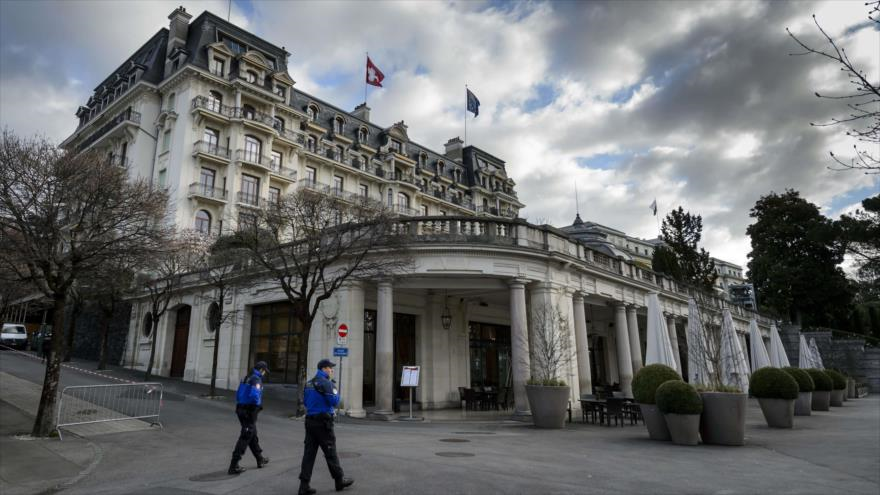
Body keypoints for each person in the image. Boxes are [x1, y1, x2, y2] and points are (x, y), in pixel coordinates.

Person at [298, 359, 354, 495]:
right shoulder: (326, 383)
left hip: (310, 422)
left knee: (309, 455)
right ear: (323, 369)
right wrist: (335, 391)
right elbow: (335, 401)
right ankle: (339, 480)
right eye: (330, 368)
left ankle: (304, 486)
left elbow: (305, 402)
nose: (332, 370)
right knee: (330, 453)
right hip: (323, 423)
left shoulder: (309, 383)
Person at [228, 361, 270, 475]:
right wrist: (257, 406)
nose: (265, 373)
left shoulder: (247, 377)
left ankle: (260, 458)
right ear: (261, 370)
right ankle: (233, 465)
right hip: (249, 411)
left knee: (252, 434)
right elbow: (255, 395)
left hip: (241, 409)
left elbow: (238, 394)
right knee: (246, 436)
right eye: (264, 371)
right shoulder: (256, 379)